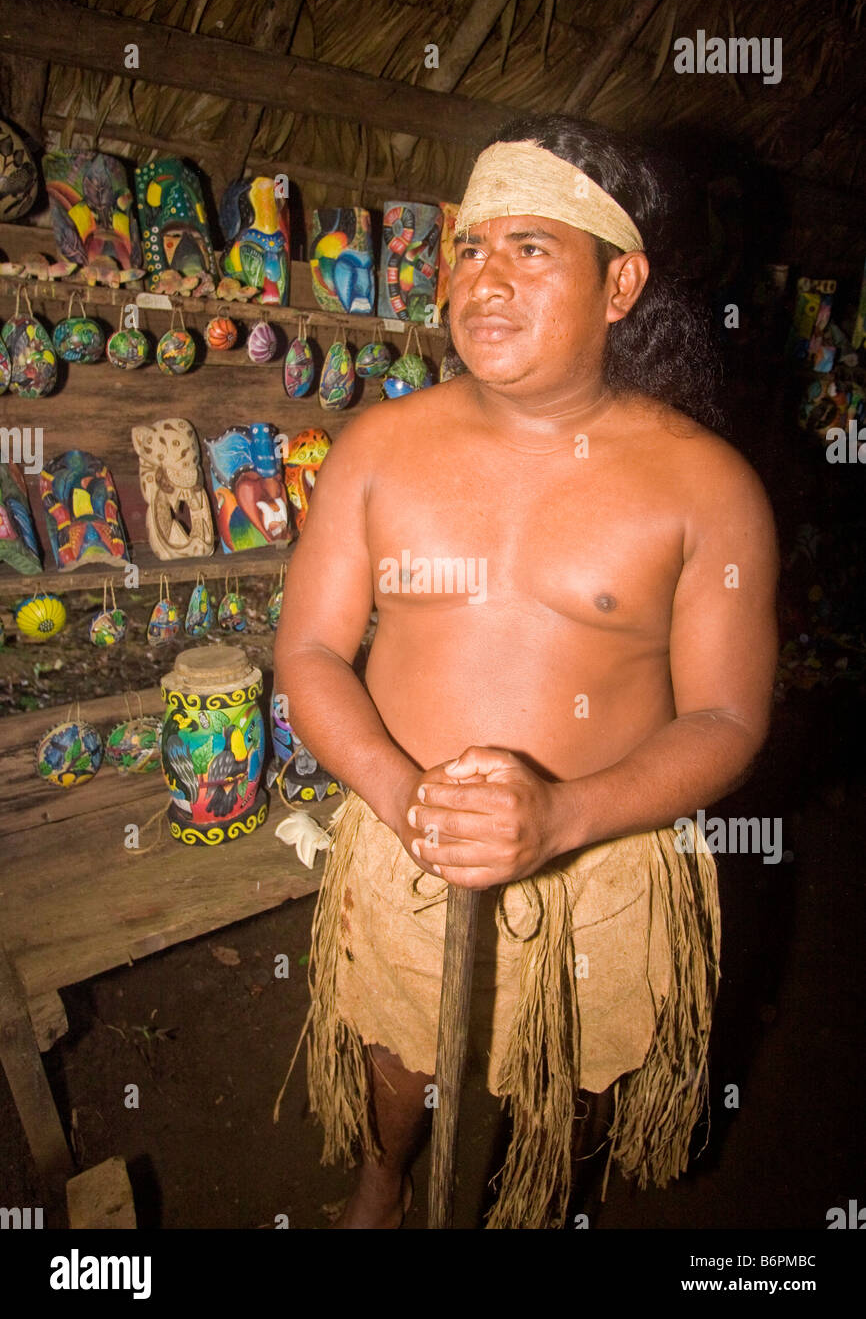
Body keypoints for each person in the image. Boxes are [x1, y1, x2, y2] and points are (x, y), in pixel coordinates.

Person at [273, 114, 778, 1229]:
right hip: (402, 835)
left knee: (563, 1077)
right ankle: (381, 1177)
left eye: (529, 249)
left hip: (602, 859)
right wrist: (398, 792)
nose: (483, 280)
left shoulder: (706, 487)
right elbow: (308, 650)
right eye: (467, 249)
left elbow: (729, 716)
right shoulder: (375, 448)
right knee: (397, 1057)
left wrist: (561, 815)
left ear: (618, 283)